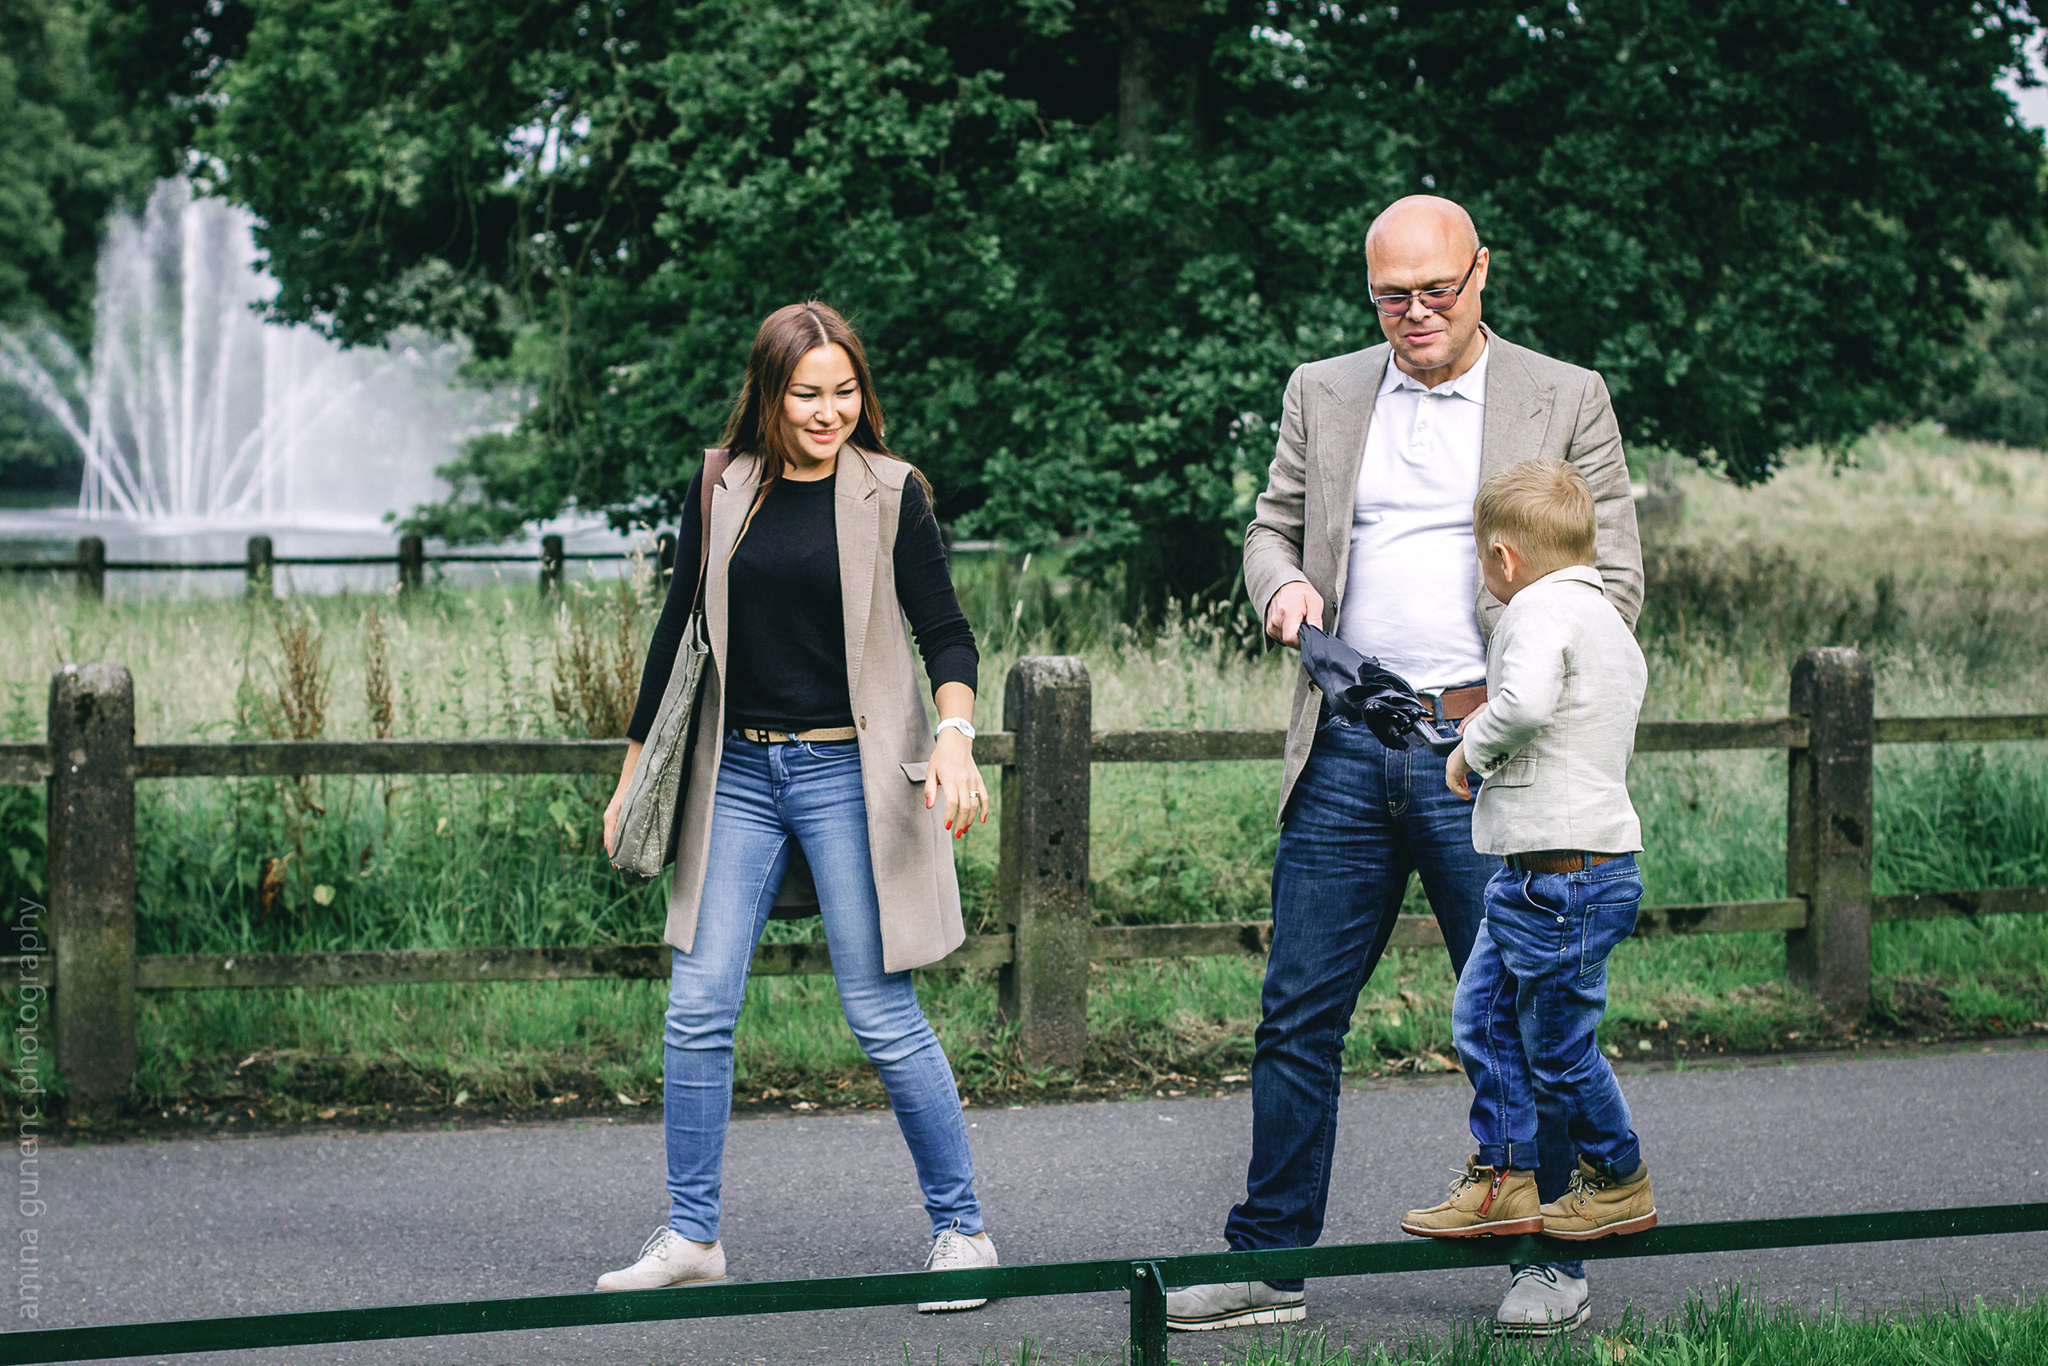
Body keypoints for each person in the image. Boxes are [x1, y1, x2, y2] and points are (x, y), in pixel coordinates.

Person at [1168, 195, 1643, 1337]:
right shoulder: (1319, 390)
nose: (1415, 314)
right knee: (1294, 1016)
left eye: (1436, 290)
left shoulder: (1563, 395)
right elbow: (1268, 528)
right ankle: (1268, 1260)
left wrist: (1506, 700)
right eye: (1392, 296)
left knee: (1527, 1009)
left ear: (1482, 272)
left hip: (1495, 757)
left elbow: (1612, 584)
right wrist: (1278, 586)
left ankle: (1544, 1256)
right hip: (1345, 746)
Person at [595, 301, 1000, 1313]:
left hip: (847, 779)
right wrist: (633, 772)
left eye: (845, 390)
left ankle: (962, 1229)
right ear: (768, 393)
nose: (829, 412)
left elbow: (946, 633)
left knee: (878, 1010)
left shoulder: (891, 491)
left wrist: (953, 737)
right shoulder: (720, 483)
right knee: (695, 1008)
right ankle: (691, 1237)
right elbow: (676, 629)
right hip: (733, 774)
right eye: (807, 393)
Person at [1399, 460, 1655, 1292]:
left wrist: (1471, 748)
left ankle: (1617, 1180)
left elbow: (1530, 704)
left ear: (1503, 559)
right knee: (1481, 1018)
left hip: (1565, 880)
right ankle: (1506, 1177)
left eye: (1481, 561)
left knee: (1555, 1047)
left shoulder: (1538, 609)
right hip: (1534, 876)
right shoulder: (1603, 616)